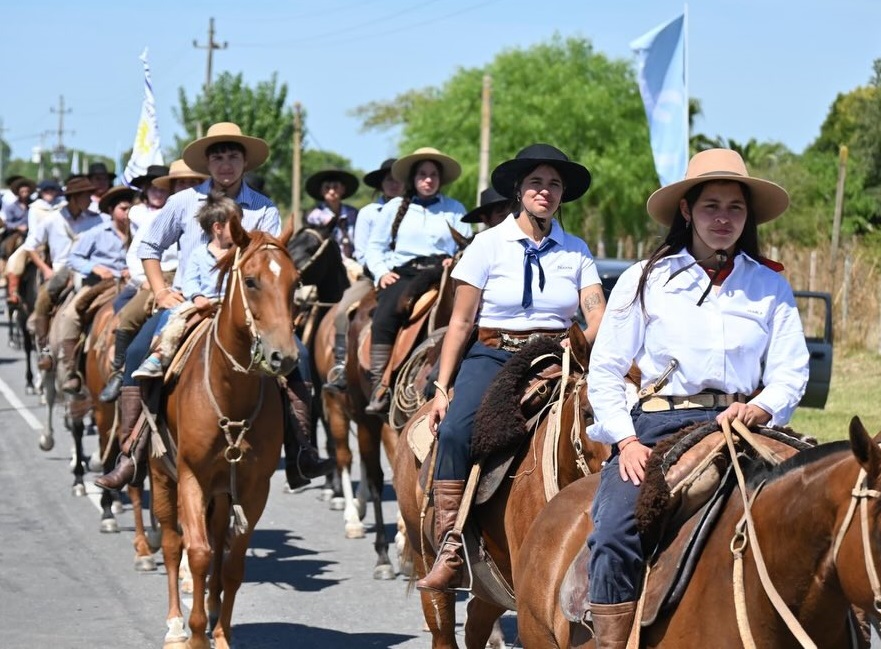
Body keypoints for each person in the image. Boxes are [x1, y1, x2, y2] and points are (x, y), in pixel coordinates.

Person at [584, 148, 810, 647]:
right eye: (711, 206)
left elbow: (791, 369)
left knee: (824, 504)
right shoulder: (645, 279)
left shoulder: (769, 284)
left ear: (748, 216)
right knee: (617, 529)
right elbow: (606, 369)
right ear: (686, 210)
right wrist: (625, 441)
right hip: (660, 426)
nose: (723, 218)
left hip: (747, 426)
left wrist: (762, 406)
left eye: (735, 207)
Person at [95, 122, 331, 492]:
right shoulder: (183, 202)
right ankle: (131, 452)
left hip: (247, 311)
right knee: (140, 350)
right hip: (191, 302)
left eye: (233, 156)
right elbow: (149, 246)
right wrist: (161, 291)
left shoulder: (264, 208)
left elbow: (270, 263)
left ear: (245, 162)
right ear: (207, 163)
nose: (225, 164)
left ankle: (301, 450)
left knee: (297, 356)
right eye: (218, 157)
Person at [416, 143, 606, 593]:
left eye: (554, 184)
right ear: (519, 190)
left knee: (612, 425)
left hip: (559, 355)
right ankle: (450, 545)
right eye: (536, 182)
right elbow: (460, 322)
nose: (546, 191)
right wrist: (441, 388)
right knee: (457, 430)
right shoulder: (486, 245)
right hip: (495, 353)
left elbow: (597, 313)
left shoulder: (576, 250)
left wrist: (577, 340)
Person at [363, 147, 471, 415]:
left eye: (433, 174)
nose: (428, 179)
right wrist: (381, 272)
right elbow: (374, 248)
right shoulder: (393, 208)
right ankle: (379, 386)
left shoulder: (455, 209)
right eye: (423, 174)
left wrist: (455, 259)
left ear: (440, 179)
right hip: (405, 273)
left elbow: (468, 245)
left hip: (445, 272)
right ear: (413, 178)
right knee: (385, 315)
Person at [98, 160, 206, 403]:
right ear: (173, 187)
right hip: (159, 277)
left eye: (192, 182)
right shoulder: (156, 216)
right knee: (130, 315)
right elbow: (140, 252)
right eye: (181, 183)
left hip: (196, 280)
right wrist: (148, 282)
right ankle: (120, 371)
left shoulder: (209, 212)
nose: (187, 187)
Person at [132, 192, 234, 379]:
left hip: (231, 303)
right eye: (236, 224)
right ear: (218, 228)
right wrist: (197, 296)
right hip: (202, 302)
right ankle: (158, 356)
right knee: (176, 319)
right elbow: (190, 280)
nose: (241, 228)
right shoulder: (198, 254)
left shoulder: (240, 253)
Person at [326, 158, 404, 390]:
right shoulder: (369, 213)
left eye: (398, 179)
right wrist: (383, 270)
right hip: (372, 276)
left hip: (409, 275)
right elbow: (361, 252)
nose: (394, 184)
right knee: (343, 310)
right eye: (389, 179)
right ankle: (341, 365)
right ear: (381, 184)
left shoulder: (416, 210)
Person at [54, 184, 135, 393]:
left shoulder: (140, 232)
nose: (128, 213)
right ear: (111, 210)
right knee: (70, 315)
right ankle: (71, 370)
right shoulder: (96, 233)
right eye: (123, 209)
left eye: (131, 208)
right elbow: (74, 258)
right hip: (100, 285)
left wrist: (134, 269)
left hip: (132, 284)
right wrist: (95, 267)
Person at [24, 176, 104, 367]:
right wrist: (45, 269)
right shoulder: (52, 220)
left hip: (91, 268)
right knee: (44, 297)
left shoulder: (96, 220)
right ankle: (44, 348)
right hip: (62, 268)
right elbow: (30, 247)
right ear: (74, 198)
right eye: (86, 196)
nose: (90, 200)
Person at [5, 179, 63, 304]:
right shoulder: (35, 207)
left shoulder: (62, 205)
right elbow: (33, 230)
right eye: (46, 190)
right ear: (41, 192)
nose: (49, 193)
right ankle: (13, 292)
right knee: (14, 260)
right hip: (38, 242)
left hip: (59, 241)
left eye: (52, 190)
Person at [304, 168, 360, 277]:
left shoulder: (353, 213)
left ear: (343, 189)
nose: (331, 191)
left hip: (354, 260)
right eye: (327, 188)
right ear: (321, 191)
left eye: (335, 187)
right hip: (327, 265)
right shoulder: (315, 216)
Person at [126, 164, 170, 234]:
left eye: (163, 190)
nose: (158, 194)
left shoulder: (173, 209)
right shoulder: (136, 211)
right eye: (154, 189)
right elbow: (153, 226)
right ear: (146, 190)